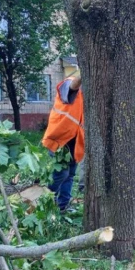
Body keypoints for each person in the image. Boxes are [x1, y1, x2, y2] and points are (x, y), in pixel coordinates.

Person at [42, 74, 84, 212]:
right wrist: (86, 70)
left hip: (76, 141)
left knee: (70, 175)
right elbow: (73, 87)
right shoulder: (69, 83)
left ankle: (63, 205)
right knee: (62, 173)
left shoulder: (90, 93)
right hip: (60, 139)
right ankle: (46, 199)